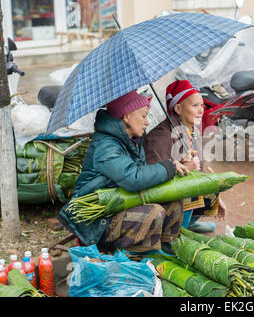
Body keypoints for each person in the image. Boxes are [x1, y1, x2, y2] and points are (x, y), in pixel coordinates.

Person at [57, 90, 189, 255]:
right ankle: (136, 257)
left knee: (173, 199)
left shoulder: (132, 140)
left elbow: (144, 172)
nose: (147, 122)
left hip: (121, 206)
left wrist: (174, 165)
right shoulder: (106, 146)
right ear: (126, 117)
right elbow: (133, 178)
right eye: (143, 116)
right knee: (153, 213)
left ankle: (167, 252)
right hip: (99, 222)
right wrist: (167, 167)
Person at [144, 80, 227, 234]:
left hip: (177, 195)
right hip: (159, 200)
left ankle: (188, 223)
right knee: (188, 184)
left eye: (202, 105)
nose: (201, 110)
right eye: (195, 105)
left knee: (210, 178)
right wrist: (182, 169)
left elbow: (201, 168)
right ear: (178, 108)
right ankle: (174, 233)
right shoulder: (160, 137)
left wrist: (216, 194)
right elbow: (153, 179)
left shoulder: (192, 130)